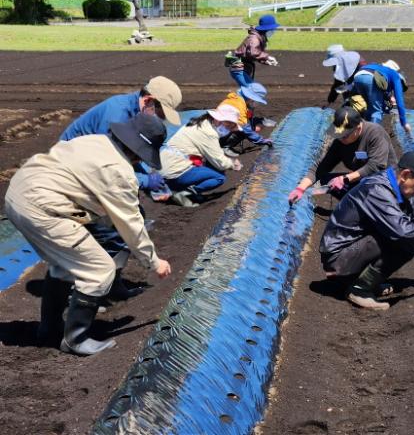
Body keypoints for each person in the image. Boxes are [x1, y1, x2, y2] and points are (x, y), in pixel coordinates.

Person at [4, 114, 172, 355]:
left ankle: (50, 329)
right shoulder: (118, 171)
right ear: (138, 151)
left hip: (18, 194)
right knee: (99, 269)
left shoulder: (95, 141)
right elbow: (131, 225)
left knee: (64, 265)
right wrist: (154, 262)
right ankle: (76, 338)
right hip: (42, 206)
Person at [59, 76, 181, 299]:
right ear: (149, 101)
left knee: (133, 221)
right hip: (76, 176)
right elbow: (106, 166)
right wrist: (145, 182)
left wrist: (147, 176)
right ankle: (86, 293)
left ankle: (111, 285)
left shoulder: (135, 111)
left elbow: (128, 157)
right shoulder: (116, 115)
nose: (161, 119)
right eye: (161, 113)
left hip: (92, 173)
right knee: (112, 230)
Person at [317, 151, 414, 310]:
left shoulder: (395, 187)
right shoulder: (377, 189)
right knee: (406, 240)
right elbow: (404, 232)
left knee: (412, 237)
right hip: (337, 258)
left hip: (349, 253)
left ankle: (362, 281)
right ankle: (359, 289)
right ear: (405, 174)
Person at [288, 107, 397, 205]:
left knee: (359, 188)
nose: (340, 139)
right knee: (326, 180)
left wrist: (345, 179)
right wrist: (300, 189)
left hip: (385, 181)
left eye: (344, 136)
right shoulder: (340, 142)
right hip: (361, 180)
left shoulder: (375, 133)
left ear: (358, 128)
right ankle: (355, 206)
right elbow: (319, 168)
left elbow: (376, 166)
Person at [161, 105, 243, 208]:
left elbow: (212, 153)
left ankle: (177, 188)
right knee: (219, 177)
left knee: (210, 164)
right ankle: (185, 194)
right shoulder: (208, 133)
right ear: (218, 120)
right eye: (228, 126)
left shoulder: (200, 123)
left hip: (166, 168)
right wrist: (233, 163)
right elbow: (220, 163)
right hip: (174, 171)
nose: (229, 130)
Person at [351, 59, 412, 134]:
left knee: (369, 108)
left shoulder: (379, 68)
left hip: (357, 77)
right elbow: (399, 100)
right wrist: (404, 123)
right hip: (371, 78)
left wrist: (388, 101)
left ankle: (362, 132)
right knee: (376, 111)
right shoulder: (395, 75)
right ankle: (372, 136)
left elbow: (382, 93)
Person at [226, 14, 280, 88]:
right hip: (239, 68)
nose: (273, 31)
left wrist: (265, 61)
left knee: (248, 92)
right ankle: (233, 99)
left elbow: (254, 55)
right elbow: (253, 52)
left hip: (243, 68)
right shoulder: (254, 38)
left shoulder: (259, 38)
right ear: (266, 29)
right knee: (251, 91)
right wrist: (267, 57)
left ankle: (238, 99)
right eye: (272, 30)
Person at [218, 82, 274, 152]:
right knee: (242, 131)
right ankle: (224, 146)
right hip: (218, 134)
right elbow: (246, 129)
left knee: (246, 127)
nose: (256, 103)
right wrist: (261, 140)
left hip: (218, 130)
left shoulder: (235, 100)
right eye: (256, 101)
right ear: (250, 98)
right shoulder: (240, 106)